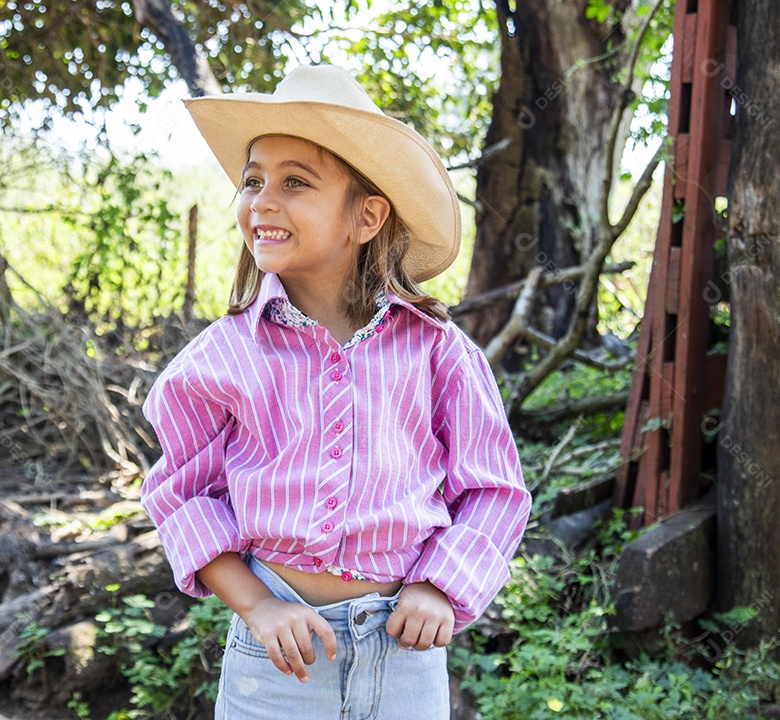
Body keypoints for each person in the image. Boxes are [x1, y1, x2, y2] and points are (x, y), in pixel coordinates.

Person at [140, 64, 531, 719]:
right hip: (277, 666)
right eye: (253, 180)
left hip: (403, 655)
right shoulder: (224, 357)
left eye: (296, 182)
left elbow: (495, 490)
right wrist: (258, 606)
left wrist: (440, 586)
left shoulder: (438, 352)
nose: (262, 200)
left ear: (368, 215)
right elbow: (181, 495)